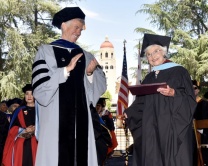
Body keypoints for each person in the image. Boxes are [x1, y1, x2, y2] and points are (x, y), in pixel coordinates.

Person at [31, 7, 106, 166]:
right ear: (64, 25)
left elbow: (97, 91)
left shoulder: (86, 56)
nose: (79, 32)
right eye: (77, 27)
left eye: (81, 29)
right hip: (55, 125)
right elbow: (40, 91)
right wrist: (64, 71)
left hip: (82, 124)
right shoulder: (46, 51)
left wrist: (90, 74)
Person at [124, 33, 197, 166]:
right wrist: (129, 112)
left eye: (156, 51)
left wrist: (174, 93)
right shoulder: (149, 77)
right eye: (149, 54)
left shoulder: (179, 71)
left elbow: (190, 99)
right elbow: (141, 102)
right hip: (151, 127)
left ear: (164, 52)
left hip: (171, 127)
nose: (152, 56)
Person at [2, 84, 37, 166]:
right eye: (27, 94)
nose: (29, 96)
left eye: (31, 94)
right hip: (21, 143)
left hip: (37, 141)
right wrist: (23, 130)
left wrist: (36, 128)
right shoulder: (19, 111)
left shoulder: (41, 110)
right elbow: (12, 129)